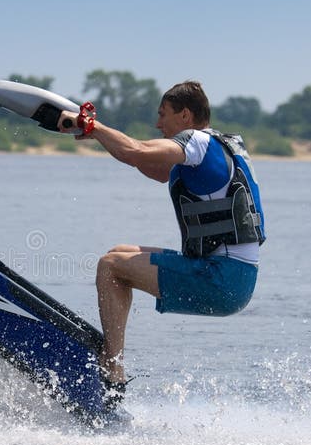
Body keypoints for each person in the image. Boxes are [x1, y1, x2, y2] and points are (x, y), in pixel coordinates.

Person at [58, 81, 265, 406]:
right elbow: (149, 166)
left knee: (110, 267)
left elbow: (136, 151)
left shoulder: (195, 142)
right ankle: (113, 358)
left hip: (221, 278)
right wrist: (97, 134)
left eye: (162, 114)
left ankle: (112, 373)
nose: (158, 124)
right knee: (119, 254)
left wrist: (92, 124)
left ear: (185, 115)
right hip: (235, 277)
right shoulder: (218, 146)